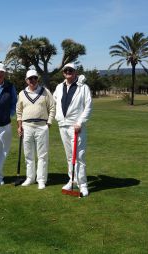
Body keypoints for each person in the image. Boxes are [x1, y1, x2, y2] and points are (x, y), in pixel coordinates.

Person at [53, 63, 92, 197]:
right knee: (70, 156)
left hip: (76, 126)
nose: (68, 72)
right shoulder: (59, 87)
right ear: (63, 73)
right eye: (66, 70)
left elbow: (88, 106)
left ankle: (83, 184)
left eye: (71, 70)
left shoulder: (83, 88)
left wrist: (80, 122)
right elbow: (54, 102)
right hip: (62, 125)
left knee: (79, 156)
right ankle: (72, 180)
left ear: (75, 72)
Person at [16, 70, 55, 189]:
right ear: (26, 80)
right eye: (30, 79)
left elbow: (52, 107)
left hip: (42, 126)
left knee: (42, 155)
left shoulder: (45, 91)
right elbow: (19, 111)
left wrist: (48, 123)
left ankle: (41, 179)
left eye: (34, 78)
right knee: (28, 154)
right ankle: (30, 178)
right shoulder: (22, 93)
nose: (32, 81)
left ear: (37, 79)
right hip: (26, 126)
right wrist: (19, 126)